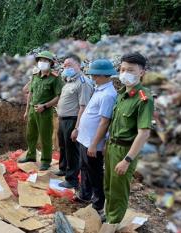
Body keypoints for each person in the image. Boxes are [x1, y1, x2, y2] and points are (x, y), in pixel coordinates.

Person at [104, 52, 153, 223]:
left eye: (130, 70)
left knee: (118, 189)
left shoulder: (143, 98)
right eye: (123, 69)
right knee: (109, 185)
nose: (125, 73)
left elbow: (144, 133)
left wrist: (127, 160)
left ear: (142, 72)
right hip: (111, 147)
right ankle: (109, 213)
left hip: (125, 150)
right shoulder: (122, 94)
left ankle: (113, 222)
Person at [75, 59, 118, 220]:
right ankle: (85, 195)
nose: (93, 78)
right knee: (84, 168)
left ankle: (98, 204)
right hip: (84, 139)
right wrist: (78, 130)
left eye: (95, 75)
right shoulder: (99, 89)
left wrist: (94, 144)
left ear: (105, 75)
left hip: (93, 143)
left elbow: (104, 121)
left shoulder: (108, 95)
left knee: (95, 174)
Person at [18, 51, 63, 171]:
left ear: (51, 63)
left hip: (45, 111)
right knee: (30, 134)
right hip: (33, 109)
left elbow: (59, 96)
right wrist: (27, 110)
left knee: (45, 137)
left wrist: (46, 105)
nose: (42, 63)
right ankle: (31, 155)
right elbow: (30, 93)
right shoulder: (35, 76)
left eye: (45, 60)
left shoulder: (55, 78)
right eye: (40, 60)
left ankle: (45, 161)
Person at [56, 54, 93, 189]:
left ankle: (71, 179)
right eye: (65, 66)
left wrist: (77, 128)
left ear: (79, 65)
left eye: (69, 65)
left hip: (72, 120)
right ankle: (64, 168)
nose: (66, 68)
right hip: (63, 119)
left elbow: (83, 107)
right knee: (63, 146)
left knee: (72, 150)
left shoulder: (83, 83)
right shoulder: (69, 81)